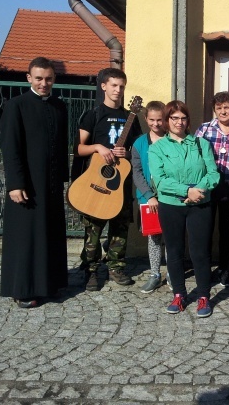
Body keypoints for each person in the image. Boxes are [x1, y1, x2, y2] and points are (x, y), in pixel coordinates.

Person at [0, 57, 69, 308]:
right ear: (29, 78)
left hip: (50, 185)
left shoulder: (59, 106)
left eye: (48, 78)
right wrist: (15, 184)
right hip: (27, 184)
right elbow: (10, 148)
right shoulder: (16, 106)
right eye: (39, 78)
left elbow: (61, 145)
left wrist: (63, 179)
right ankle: (24, 288)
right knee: (27, 238)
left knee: (50, 235)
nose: (44, 83)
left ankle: (49, 285)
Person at [148, 101, 220, 318]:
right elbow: (159, 180)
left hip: (200, 205)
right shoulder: (157, 148)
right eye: (174, 118)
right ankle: (179, 294)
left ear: (188, 121)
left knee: (200, 253)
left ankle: (204, 296)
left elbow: (213, 174)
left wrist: (199, 189)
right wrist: (186, 191)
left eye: (183, 118)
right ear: (167, 121)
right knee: (175, 251)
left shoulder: (201, 144)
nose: (179, 122)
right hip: (171, 206)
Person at [76, 68, 142, 291]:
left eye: (121, 86)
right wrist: (97, 147)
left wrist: (129, 153)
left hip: (120, 183)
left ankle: (115, 266)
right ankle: (91, 270)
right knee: (93, 229)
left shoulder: (130, 117)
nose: (118, 90)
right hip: (96, 182)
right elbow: (78, 148)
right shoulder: (93, 115)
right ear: (103, 86)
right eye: (113, 85)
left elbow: (139, 149)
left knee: (120, 227)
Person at [195, 91, 229, 286]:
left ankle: (224, 268)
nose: (223, 111)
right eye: (219, 108)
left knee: (226, 231)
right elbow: (195, 157)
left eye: (226, 107)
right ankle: (205, 268)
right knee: (206, 229)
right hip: (208, 186)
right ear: (214, 110)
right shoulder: (204, 130)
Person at [132, 101, 169, 293]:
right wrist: (148, 195)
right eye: (152, 120)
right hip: (149, 199)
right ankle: (155, 273)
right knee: (154, 237)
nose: (156, 124)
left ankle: (172, 273)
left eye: (160, 120)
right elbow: (136, 172)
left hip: (170, 197)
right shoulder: (139, 143)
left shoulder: (172, 139)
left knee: (172, 236)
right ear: (146, 119)